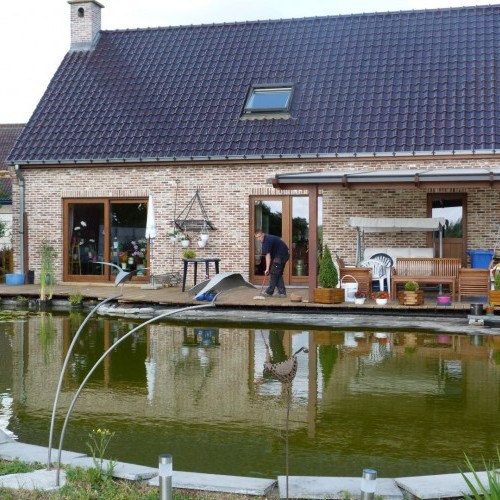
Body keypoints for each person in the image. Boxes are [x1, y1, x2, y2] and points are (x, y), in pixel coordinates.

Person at [254, 230, 290, 297]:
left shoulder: (266, 241)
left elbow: (268, 256)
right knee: (277, 273)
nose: (258, 239)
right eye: (257, 237)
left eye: (259, 236)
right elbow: (280, 239)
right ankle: (282, 293)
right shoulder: (268, 237)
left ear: (263, 234)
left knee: (273, 273)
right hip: (283, 255)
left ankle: (269, 292)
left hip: (281, 256)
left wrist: (267, 269)